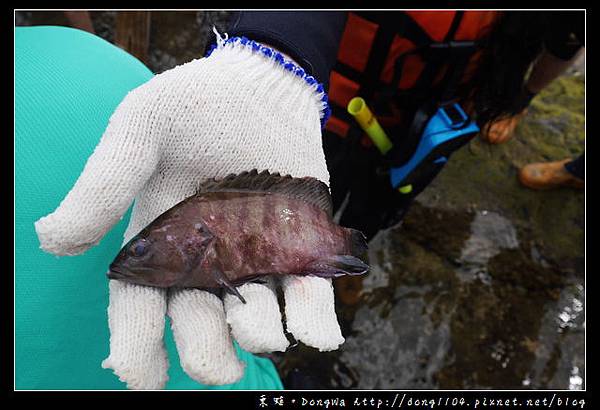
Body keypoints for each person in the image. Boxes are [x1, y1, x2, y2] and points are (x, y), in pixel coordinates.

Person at [23, 10, 584, 390]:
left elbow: (563, 32)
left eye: (146, 254)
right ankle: (345, 266)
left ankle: (351, 263)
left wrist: (520, 97)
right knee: (334, 213)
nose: (139, 261)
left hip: (414, 125)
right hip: (313, 109)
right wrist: (270, 55)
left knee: (377, 209)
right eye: (148, 255)